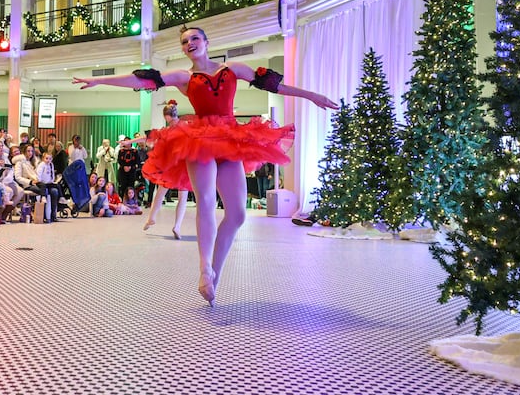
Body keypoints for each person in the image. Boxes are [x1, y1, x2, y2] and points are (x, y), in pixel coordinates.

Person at [73, 25, 336, 305]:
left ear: (207, 42)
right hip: (198, 141)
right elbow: (144, 78)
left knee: (237, 214)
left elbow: (274, 85)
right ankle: (203, 268)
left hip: (231, 139)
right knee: (207, 200)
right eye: (184, 41)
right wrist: (101, 81)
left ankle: (214, 273)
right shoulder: (184, 77)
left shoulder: (233, 68)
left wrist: (312, 96)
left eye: (194, 38)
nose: (189, 43)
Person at [125, 100, 190, 240]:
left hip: (176, 166)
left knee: (166, 195)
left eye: (168, 118)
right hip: (178, 166)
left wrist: (129, 142)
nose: (168, 121)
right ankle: (167, 223)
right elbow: (148, 137)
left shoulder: (176, 128)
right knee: (171, 195)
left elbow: (148, 137)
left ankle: (162, 221)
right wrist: (128, 142)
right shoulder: (176, 128)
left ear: (169, 116)